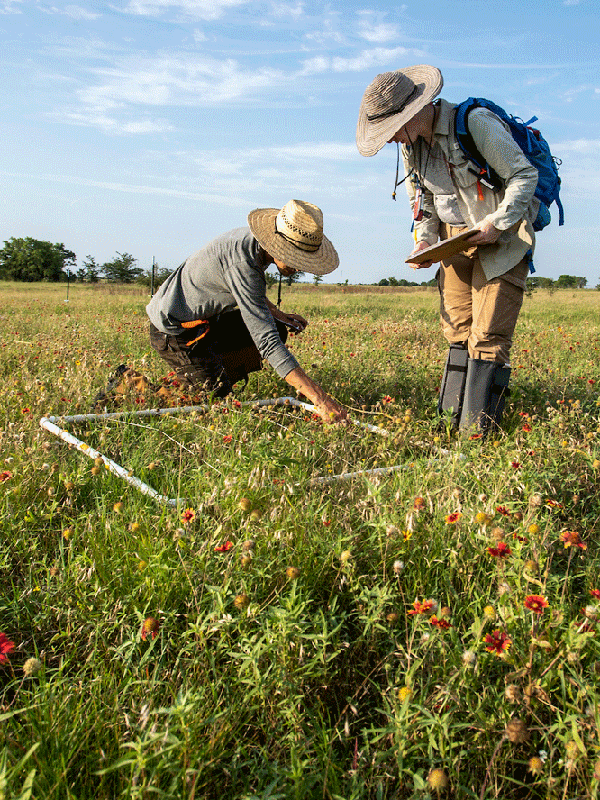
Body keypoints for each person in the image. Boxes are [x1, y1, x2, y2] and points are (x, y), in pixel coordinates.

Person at [356, 65, 539, 434]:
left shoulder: (476, 124)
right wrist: (424, 240)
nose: (390, 140)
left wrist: (496, 224)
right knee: (457, 329)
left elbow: (525, 177)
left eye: (391, 130)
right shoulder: (412, 148)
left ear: (414, 112)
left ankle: (478, 434)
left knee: (487, 337)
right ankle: (447, 423)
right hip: (452, 241)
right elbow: (421, 200)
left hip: (500, 235)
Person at [146, 199, 348, 423]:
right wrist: (321, 401)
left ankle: (208, 375)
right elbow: (267, 342)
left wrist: (278, 314)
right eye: (295, 256)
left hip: (207, 323)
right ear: (276, 245)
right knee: (215, 406)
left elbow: (248, 293)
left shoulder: (252, 246)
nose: (300, 266)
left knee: (278, 328)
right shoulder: (242, 262)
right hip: (176, 333)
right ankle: (136, 385)